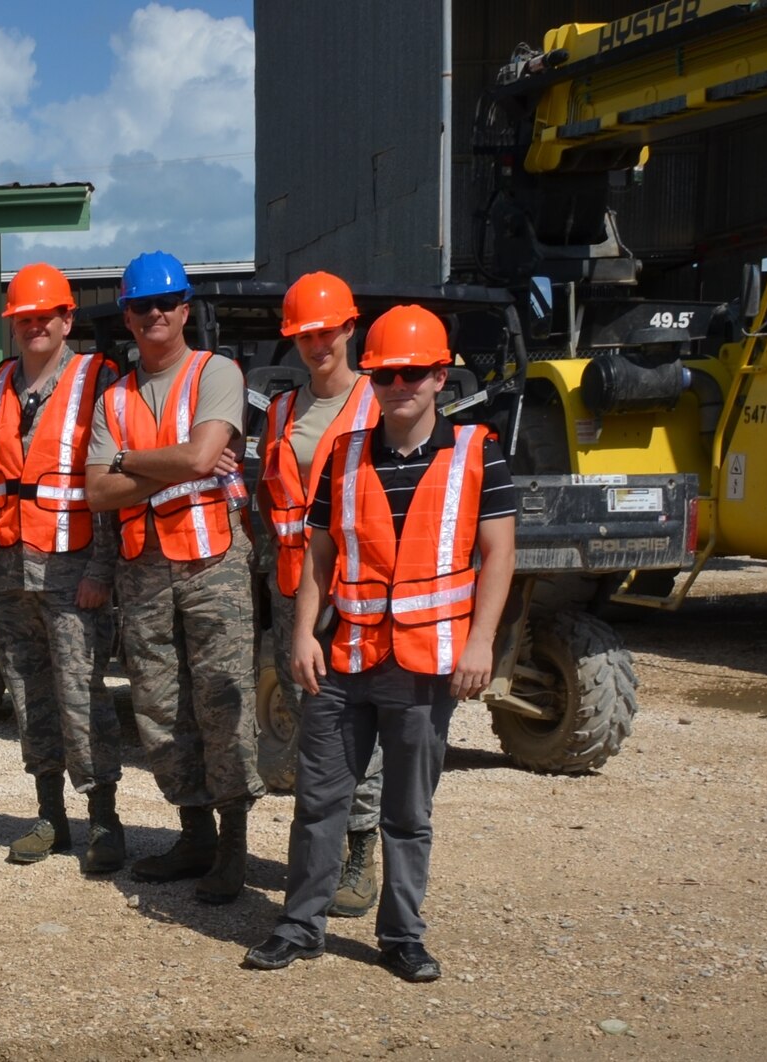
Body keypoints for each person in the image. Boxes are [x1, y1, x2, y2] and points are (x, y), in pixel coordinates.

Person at [244, 305, 516, 982]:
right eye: (387, 373)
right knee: (320, 800)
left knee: (407, 813)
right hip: (347, 659)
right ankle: (300, 925)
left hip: (426, 666)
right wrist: (304, 631)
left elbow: (500, 554)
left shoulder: (478, 451)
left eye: (414, 373)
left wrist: (482, 644)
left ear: (440, 376)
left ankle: (402, 936)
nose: (400, 385)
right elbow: (321, 553)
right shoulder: (343, 453)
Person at [85, 251, 261, 905]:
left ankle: (234, 848)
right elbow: (97, 493)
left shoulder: (215, 374)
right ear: (127, 317)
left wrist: (131, 459)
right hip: (143, 572)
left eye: (166, 303)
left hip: (212, 562)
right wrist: (171, 465)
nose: (154, 314)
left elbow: (202, 454)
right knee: (161, 710)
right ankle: (196, 836)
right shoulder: (115, 398)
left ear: (186, 308)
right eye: (140, 305)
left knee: (223, 701)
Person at [0, 263, 123, 873]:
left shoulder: (98, 379)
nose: (35, 326)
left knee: (83, 696)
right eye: (24, 318)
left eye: (45, 316)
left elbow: (110, 486)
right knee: (30, 697)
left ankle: (104, 822)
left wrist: (101, 573)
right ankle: (49, 816)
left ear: (66, 319)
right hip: (8, 572)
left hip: (73, 570)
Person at [257, 272, 386, 918]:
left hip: (358, 592)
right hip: (294, 593)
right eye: (305, 335)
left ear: (350, 327)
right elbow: (268, 494)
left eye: (328, 330)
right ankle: (321, 856)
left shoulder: (379, 405)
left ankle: (361, 850)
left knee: (359, 725)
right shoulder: (282, 412)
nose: (317, 344)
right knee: (314, 727)